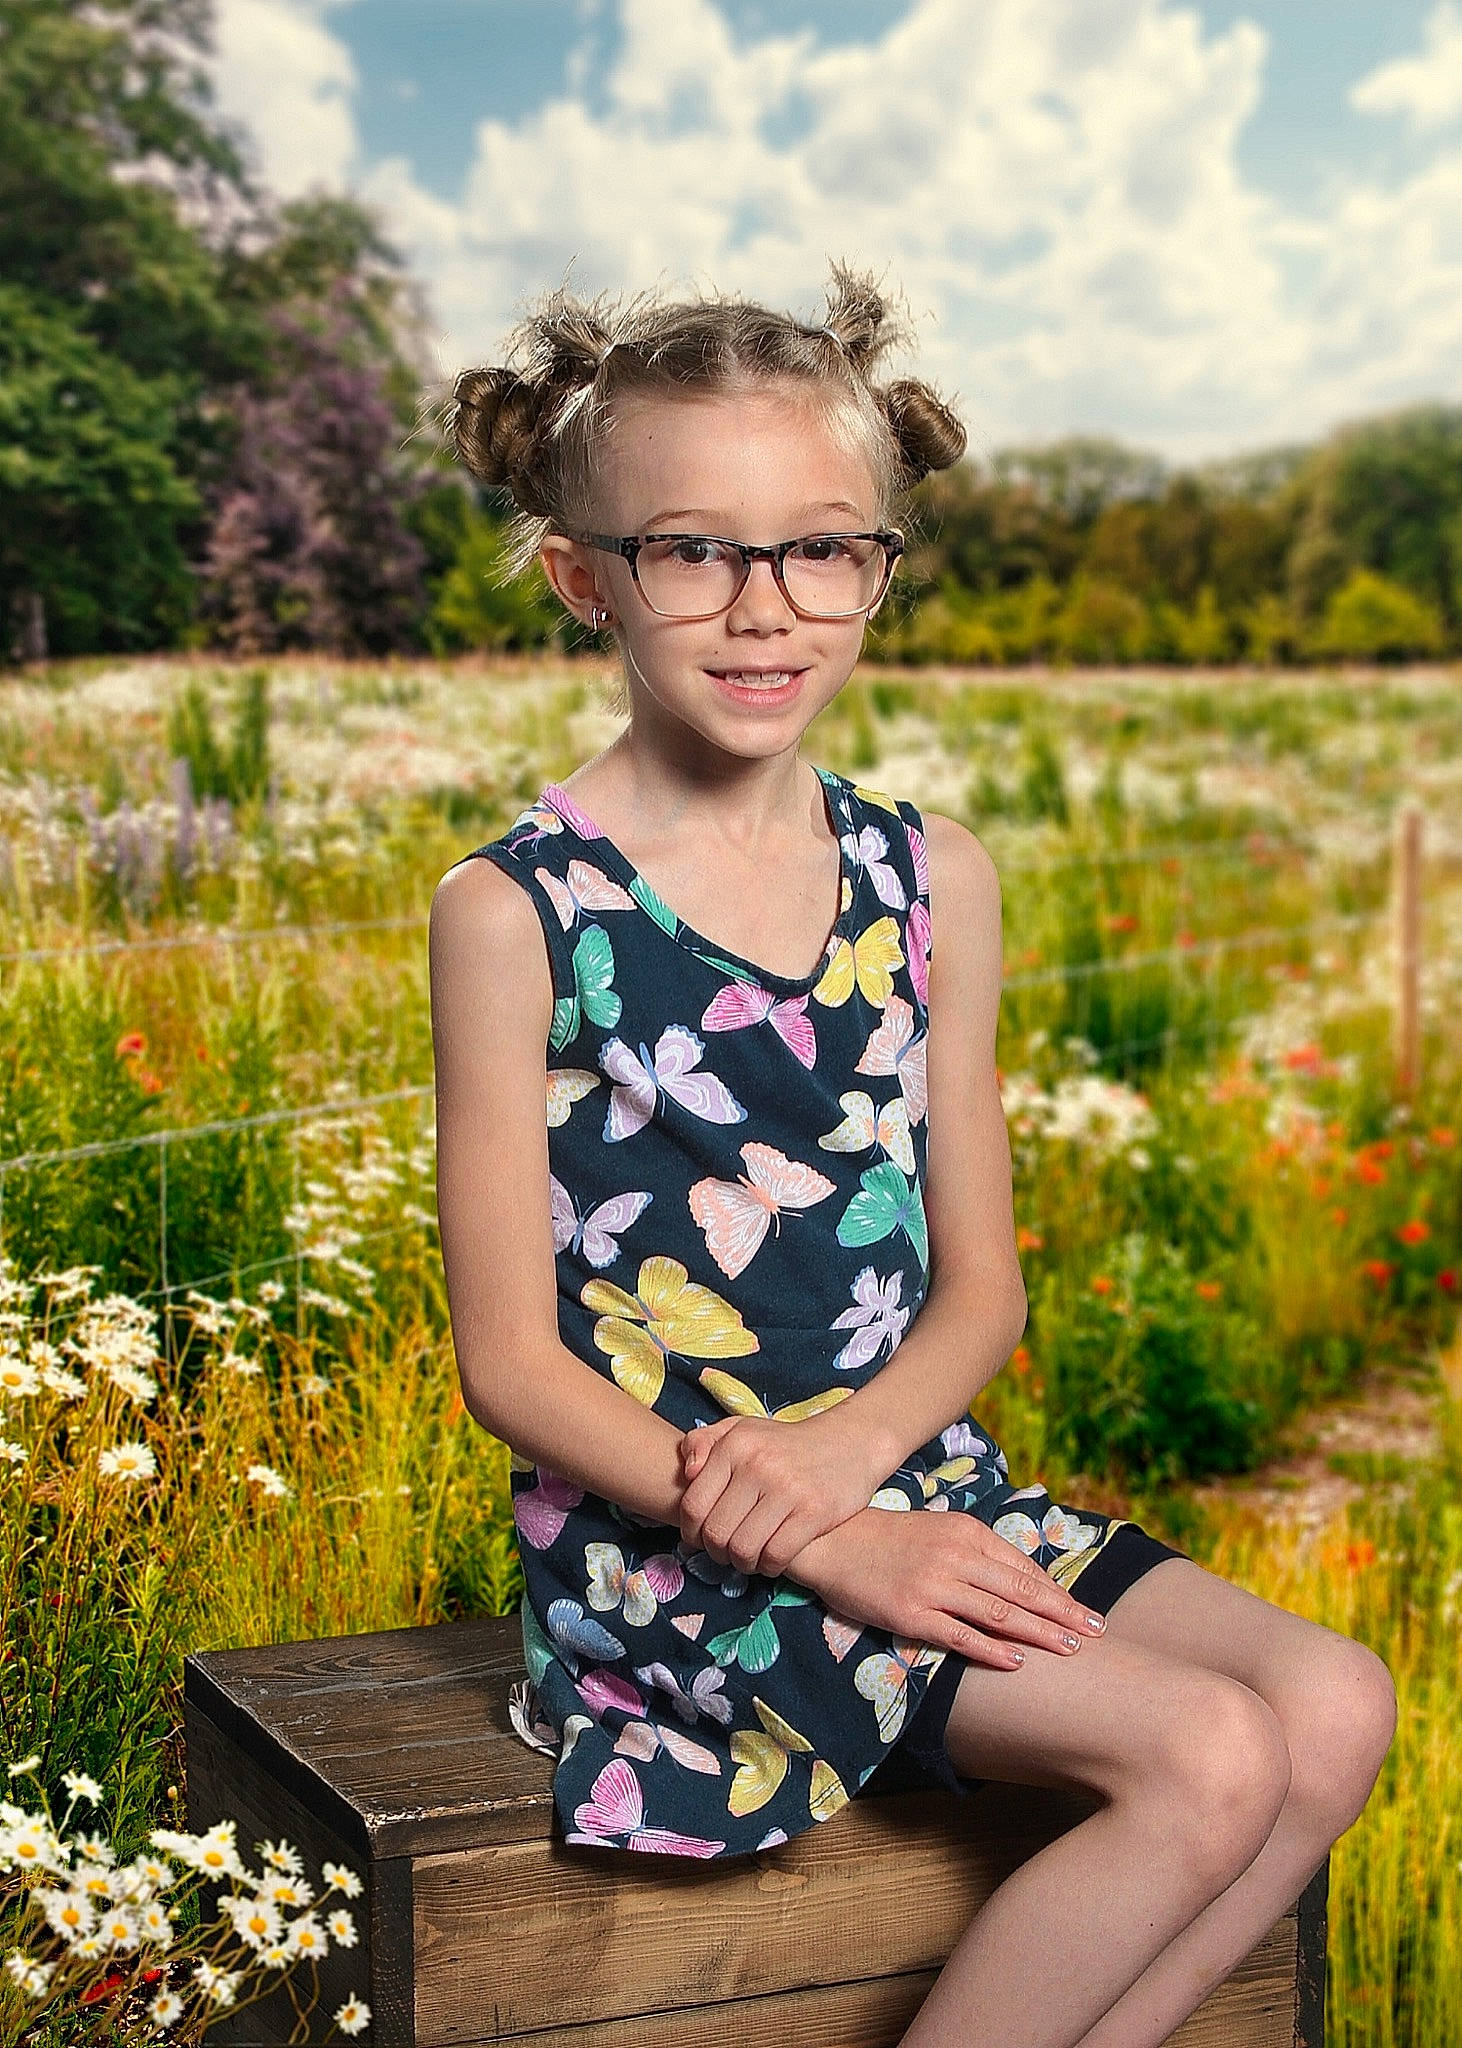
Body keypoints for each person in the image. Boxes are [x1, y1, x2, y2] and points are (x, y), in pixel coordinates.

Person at [428, 264, 1397, 2048]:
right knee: (1203, 1750)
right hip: (680, 1565)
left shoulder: (931, 876)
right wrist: (826, 1544)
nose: (762, 608)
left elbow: (981, 1285)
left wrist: (875, 1479)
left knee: (1334, 1705)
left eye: (821, 549)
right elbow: (509, 1364)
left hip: (916, 1483)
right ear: (584, 576)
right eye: (691, 551)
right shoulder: (516, 913)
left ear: (879, 561)